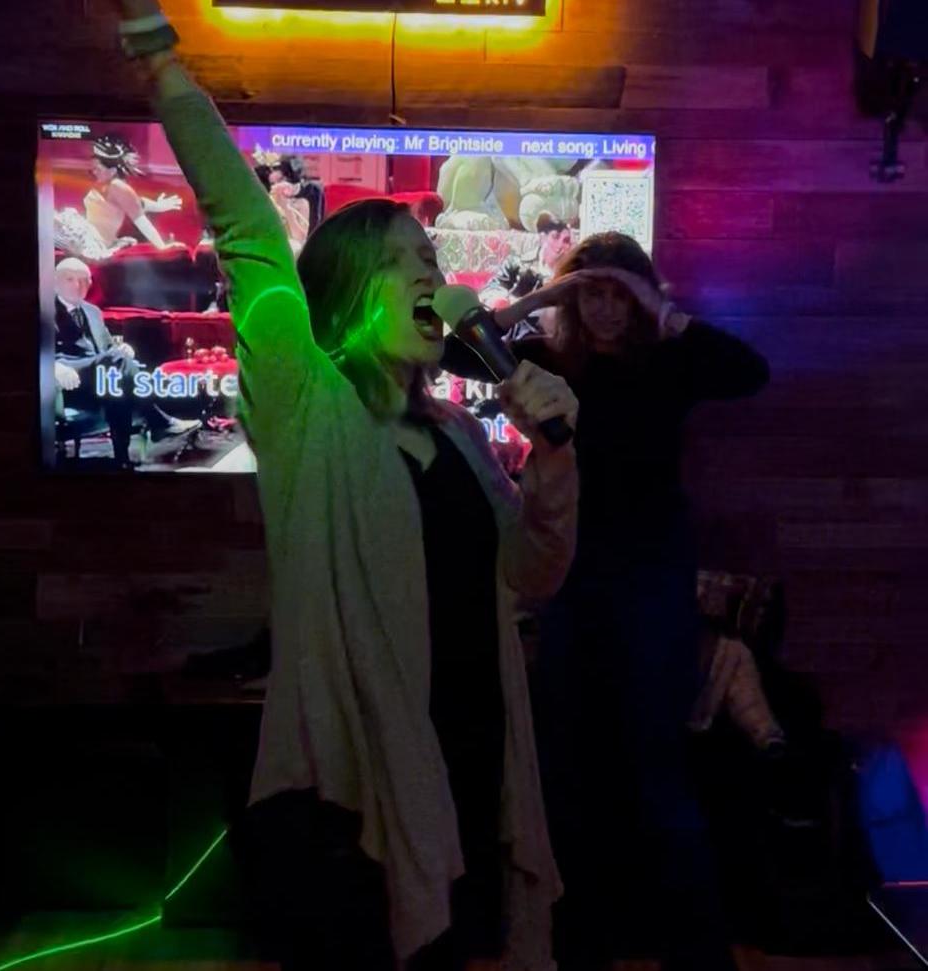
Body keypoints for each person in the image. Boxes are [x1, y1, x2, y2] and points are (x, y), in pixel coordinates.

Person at [108, 3, 581, 969]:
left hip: (470, 761)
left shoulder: (460, 436)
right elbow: (246, 225)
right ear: (352, 288)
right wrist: (158, 58)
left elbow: (533, 576)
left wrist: (555, 460)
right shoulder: (306, 405)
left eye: (433, 261)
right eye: (406, 263)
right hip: (351, 789)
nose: (432, 278)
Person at [441, 231, 769, 971]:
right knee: (568, 764)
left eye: (620, 294)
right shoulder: (550, 362)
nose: (605, 308)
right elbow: (454, 354)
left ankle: (697, 955)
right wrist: (542, 296)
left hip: (652, 572)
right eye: (592, 293)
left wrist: (661, 308)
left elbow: (751, 371)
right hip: (570, 572)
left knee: (656, 763)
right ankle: (580, 947)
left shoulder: (670, 361)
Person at [54, 257, 200, 467]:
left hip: (99, 375)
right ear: (56, 281)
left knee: (119, 384)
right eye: (70, 279)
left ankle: (122, 460)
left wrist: (123, 350)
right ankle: (159, 422)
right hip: (68, 374)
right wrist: (52, 366)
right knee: (117, 367)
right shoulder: (44, 310)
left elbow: (107, 349)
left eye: (84, 280)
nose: (78, 285)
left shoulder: (93, 312)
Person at [54, 133, 183, 261]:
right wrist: (157, 206)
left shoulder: (118, 187)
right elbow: (138, 203)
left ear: (112, 171)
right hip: (84, 236)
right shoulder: (109, 186)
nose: (94, 171)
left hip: (91, 241)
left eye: (98, 168)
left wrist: (161, 247)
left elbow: (140, 219)